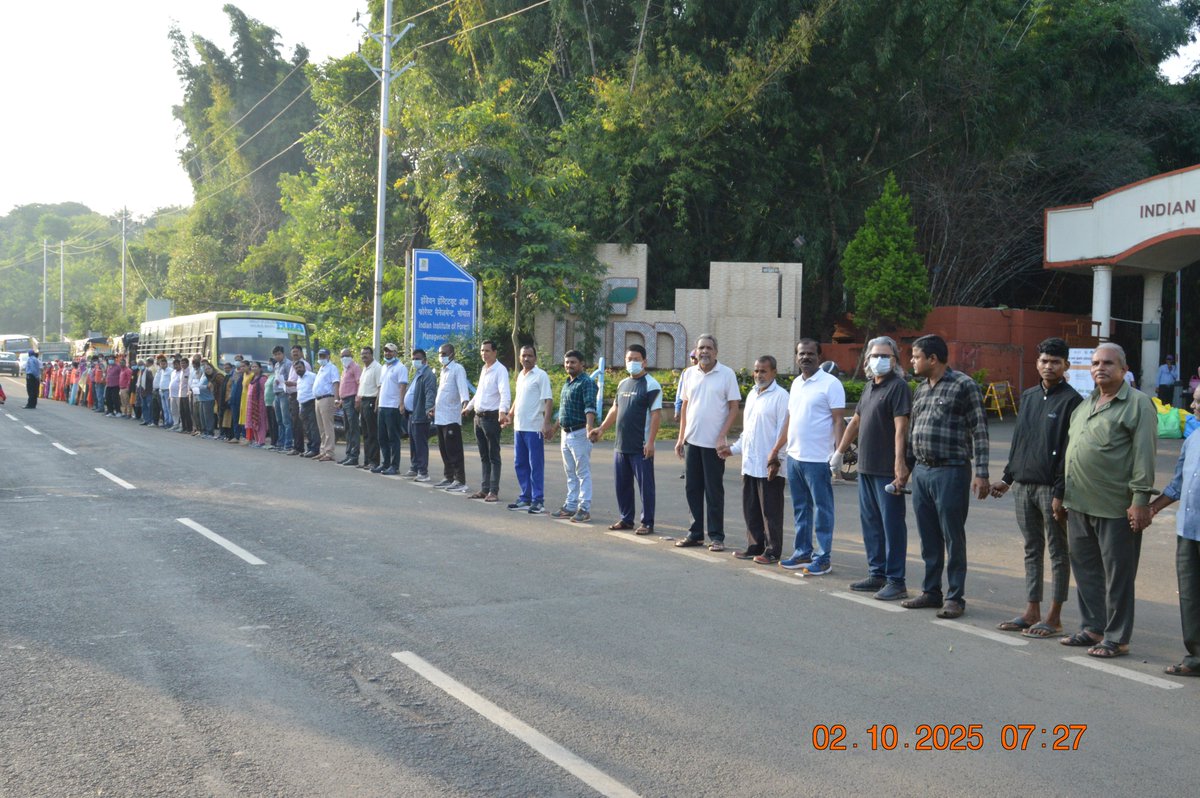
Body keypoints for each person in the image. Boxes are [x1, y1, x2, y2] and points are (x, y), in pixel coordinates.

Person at [1060, 342, 1156, 658]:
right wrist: (1062, 496)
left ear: (1124, 370)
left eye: (1108, 363)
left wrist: (1140, 500)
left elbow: (1144, 456)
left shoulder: (1138, 404)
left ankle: (1117, 637)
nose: (1100, 367)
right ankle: (1093, 628)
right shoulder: (1085, 404)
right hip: (1079, 503)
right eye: (1095, 363)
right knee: (1086, 570)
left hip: (1116, 506)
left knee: (1118, 576)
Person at [990, 337, 1083, 636]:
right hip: (1023, 486)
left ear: (1066, 365)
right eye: (1044, 360)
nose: (1049, 366)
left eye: (1055, 362)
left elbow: (1070, 452)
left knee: (1058, 551)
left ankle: (1054, 616)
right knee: (1032, 549)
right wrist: (1007, 479)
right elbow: (1020, 441)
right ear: (1037, 363)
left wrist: (1060, 493)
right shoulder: (1029, 396)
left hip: (1050, 489)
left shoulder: (1073, 401)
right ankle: (1032, 611)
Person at [901, 334, 990, 619]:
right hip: (922, 472)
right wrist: (905, 469)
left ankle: (954, 597)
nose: (912, 361)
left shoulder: (964, 385)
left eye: (916, 356)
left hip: (951, 471)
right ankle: (931, 592)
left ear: (932, 358)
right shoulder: (920, 389)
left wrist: (982, 473)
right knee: (928, 536)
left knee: (952, 536)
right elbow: (913, 431)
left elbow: (980, 431)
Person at [831, 336, 911, 599]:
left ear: (895, 360)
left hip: (886, 469)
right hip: (865, 467)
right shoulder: (869, 387)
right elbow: (855, 422)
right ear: (867, 359)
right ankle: (877, 573)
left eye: (885, 356)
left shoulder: (898, 387)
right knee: (871, 524)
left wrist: (900, 463)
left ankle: (896, 580)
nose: (880, 360)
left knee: (892, 525)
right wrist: (839, 452)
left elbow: (901, 427)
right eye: (875, 356)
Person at [766, 339, 846, 574]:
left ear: (819, 357)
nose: (805, 357)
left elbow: (838, 420)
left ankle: (823, 558)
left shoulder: (830, 384)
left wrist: (839, 454)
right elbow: (790, 419)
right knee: (801, 508)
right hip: (795, 457)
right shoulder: (796, 384)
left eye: (810, 353)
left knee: (822, 509)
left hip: (819, 459)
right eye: (801, 353)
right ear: (796, 357)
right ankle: (802, 552)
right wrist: (777, 449)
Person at [1149, 383, 1200, 677]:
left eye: (1198, 402)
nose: (1192, 406)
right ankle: (1196, 657)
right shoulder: (1192, 439)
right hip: (1188, 531)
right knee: (1191, 596)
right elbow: (1178, 484)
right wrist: (1152, 509)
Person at [715, 354, 787, 562]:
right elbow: (748, 432)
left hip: (770, 465)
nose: (759, 375)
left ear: (774, 372)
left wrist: (777, 459)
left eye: (763, 371)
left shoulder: (781, 397)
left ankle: (772, 551)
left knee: (770, 511)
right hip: (750, 464)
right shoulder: (753, 395)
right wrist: (733, 449)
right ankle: (755, 546)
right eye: (756, 370)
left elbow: (785, 432)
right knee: (751, 508)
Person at [674, 334, 742, 551]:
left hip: (714, 445)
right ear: (696, 351)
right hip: (692, 441)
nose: (704, 351)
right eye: (701, 348)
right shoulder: (688, 374)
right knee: (692, 489)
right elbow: (685, 406)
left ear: (716, 352)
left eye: (709, 348)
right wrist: (681, 437)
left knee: (714, 491)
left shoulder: (726, 374)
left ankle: (716, 536)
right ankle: (695, 534)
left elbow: (734, 407)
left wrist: (722, 435)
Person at [593, 344, 662, 533]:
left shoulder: (651, 385)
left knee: (645, 487)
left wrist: (650, 442)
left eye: (636, 359)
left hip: (641, 446)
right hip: (621, 445)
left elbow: (656, 415)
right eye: (629, 359)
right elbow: (615, 409)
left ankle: (647, 522)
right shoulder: (622, 383)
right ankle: (626, 519)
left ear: (644, 362)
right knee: (622, 485)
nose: (632, 362)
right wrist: (601, 429)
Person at [505, 345, 554, 512]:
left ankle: (537, 500)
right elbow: (518, 398)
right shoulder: (521, 375)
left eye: (530, 355)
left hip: (534, 428)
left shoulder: (541, 375)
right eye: (524, 355)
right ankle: (525, 498)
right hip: (519, 427)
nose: (526, 358)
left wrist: (546, 422)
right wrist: (510, 415)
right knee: (520, 463)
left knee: (535, 465)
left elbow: (548, 400)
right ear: (520, 358)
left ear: (535, 358)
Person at [551, 350, 597, 522]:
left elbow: (590, 406)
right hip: (566, 433)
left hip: (580, 433)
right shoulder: (567, 383)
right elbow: (563, 410)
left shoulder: (587, 382)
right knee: (570, 472)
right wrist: (554, 429)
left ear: (581, 364)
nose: (569, 365)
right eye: (567, 362)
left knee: (582, 472)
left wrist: (589, 428)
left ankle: (584, 508)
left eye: (573, 362)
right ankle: (570, 506)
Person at [466, 340, 510, 502]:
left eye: (487, 351)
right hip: (478, 418)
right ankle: (484, 489)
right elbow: (479, 393)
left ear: (495, 352)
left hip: (491, 418)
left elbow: (505, 393)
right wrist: (469, 407)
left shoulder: (500, 370)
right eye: (482, 351)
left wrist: (502, 412)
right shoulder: (484, 369)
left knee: (493, 456)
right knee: (484, 456)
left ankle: (493, 491)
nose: (484, 354)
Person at [434, 343, 472, 492]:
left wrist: (465, 404)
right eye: (440, 353)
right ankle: (448, 476)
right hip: (440, 416)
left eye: (444, 353)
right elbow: (443, 392)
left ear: (452, 354)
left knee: (453, 450)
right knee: (444, 449)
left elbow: (462, 388)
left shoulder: (457, 369)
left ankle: (459, 480)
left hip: (451, 417)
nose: (441, 356)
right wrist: (434, 408)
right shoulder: (443, 371)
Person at [374, 342, 409, 475]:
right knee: (382, 437)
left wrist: (401, 404)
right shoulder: (384, 367)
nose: (387, 353)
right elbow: (381, 387)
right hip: (382, 406)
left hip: (393, 406)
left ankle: (395, 466)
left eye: (390, 351)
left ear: (395, 353)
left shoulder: (400, 367)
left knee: (393, 437)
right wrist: (377, 402)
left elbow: (402, 387)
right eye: (386, 351)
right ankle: (385, 463)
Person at [356, 345, 382, 470]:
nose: (364, 356)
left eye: (366, 353)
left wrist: (376, 404)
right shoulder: (365, 368)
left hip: (372, 401)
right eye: (362, 354)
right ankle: (367, 461)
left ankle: (374, 461)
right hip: (364, 401)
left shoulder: (377, 367)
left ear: (372, 355)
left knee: (372, 434)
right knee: (365, 433)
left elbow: (379, 387)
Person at [312, 348, 340, 462]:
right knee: (321, 427)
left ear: (328, 356)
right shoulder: (321, 368)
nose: (321, 358)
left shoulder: (332, 368)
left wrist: (336, 399)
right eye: (320, 356)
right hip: (318, 399)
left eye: (323, 356)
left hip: (327, 398)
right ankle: (323, 450)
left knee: (328, 426)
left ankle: (329, 452)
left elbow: (336, 383)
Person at [337, 348, 362, 466]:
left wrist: (357, 399)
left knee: (353, 428)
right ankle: (348, 454)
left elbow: (359, 383)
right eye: (342, 356)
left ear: (351, 356)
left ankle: (354, 456)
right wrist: (340, 400)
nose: (344, 358)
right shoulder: (345, 369)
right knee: (347, 429)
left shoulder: (355, 367)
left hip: (352, 400)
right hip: (344, 401)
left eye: (346, 355)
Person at [292, 359, 320, 458]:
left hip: (311, 403)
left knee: (313, 428)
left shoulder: (312, 376)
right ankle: (309, 448)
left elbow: (317, 388)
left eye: (300, 367)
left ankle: (315, 449)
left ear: (304, 367)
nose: (298, 369)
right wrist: (300, 408)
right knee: (307, 429)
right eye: (296, 368)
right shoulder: (299, 379)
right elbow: (300, 393)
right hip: (302, 405)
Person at [286, 345, 311, 456]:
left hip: (299, 396)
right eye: (293, 352)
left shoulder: (304, 365)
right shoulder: (293, 365)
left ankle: (299, 447)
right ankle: (297, 446)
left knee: (299, 423)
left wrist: (292, 384)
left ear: (301, 352)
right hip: (291, 396)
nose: (295, 354)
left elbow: (306, 381)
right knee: (295, 422)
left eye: (296, 352)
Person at [271, 346, 293, 452]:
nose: (277, 356)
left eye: (279, 354)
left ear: (283, 353)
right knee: (279, 420)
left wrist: (283, 381)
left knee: (286, 420)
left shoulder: (288, 364)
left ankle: (288, 444)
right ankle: (280, 443)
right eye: (275, 355)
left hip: (284, 393)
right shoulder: (276, 365)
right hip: (276, 394)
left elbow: (291, 378)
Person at [245, 361, 269, 448]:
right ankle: (257, 440)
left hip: (259, 404)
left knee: (260, 422)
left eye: (255, 367)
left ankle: (261, 441)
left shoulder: (262, 379)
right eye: (252, 367)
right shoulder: (253, 378)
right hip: (251, 404)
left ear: (260, 368)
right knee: (253, 422)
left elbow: (265, 392)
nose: (254, 368)